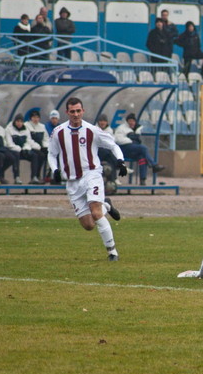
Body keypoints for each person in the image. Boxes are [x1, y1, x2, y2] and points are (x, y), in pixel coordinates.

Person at [47, 97, 127, 261]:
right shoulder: (58, 132)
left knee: (96, 213)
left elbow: (113, 145)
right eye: (72, 111)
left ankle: (112, 252)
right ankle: (106, 205)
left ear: (83, 111)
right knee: (88, 225)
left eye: (78, 111)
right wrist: (55, 170)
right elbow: (52, 154)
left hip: (91, 175)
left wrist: (120, 161)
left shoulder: (92, 130)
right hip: (72, 182)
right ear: (67, 112)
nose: (76, 114)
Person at [114, 112, 165, 186]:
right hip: (124, 149)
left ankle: (142, 180)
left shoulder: (137, 129)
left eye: (133, 121)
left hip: (132, 149)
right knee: (143, 148)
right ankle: (154, 165)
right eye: (130, 121)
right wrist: (130, 140)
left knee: (142, 158)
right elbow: (118, 139)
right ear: (127, 121)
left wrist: (135, 137)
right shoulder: (121, 128)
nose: (132, 122)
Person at [5, 113, 45, 184]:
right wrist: (19, 149)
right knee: (16, 155)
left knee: (34, 155)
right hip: (13, 150)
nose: (19, 123)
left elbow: (28, 141)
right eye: (17, 121)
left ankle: (34, 177)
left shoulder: (25, 129)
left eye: (21, 121)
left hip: (23, 150)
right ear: (15, 122)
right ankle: (17, 177)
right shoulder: (9, 129)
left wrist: (26, 148)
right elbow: (9, 144)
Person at [25, 110, 49, 181]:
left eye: (37, 117)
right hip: (30, 147)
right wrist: (37, 146)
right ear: (30, 118)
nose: (35, 119)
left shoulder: (42, 126)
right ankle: (35, 176)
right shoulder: (26, 125)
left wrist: (46, 146)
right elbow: (28, 139)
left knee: (50, 153)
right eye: (34, 117)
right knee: (40, 155)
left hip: (40, 147)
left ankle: (50, 175)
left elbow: (45, 138)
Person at [96, 114, 119, 185]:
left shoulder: (110, 131)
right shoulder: (94, 129)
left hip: (106, 152)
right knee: (109, 154)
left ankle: (112, 180)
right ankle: (119, 168)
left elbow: (112, 142)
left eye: (104, 121)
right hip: (96, 152)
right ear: (98, 122)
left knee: (110, 159)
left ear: (107, 122)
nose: (102, 123)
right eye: (101, 121)